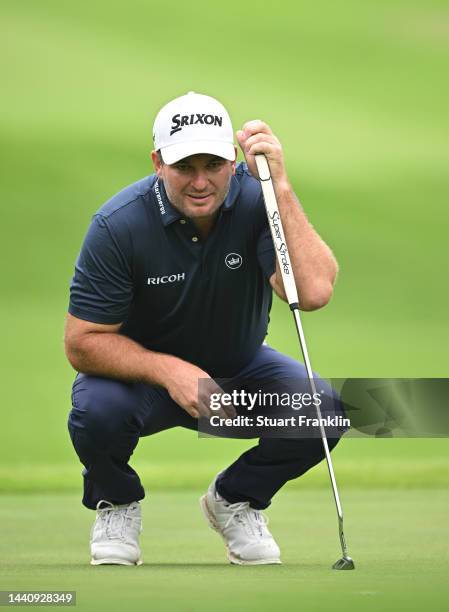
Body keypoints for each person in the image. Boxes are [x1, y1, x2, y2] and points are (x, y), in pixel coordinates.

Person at [65, 91, 343, 567]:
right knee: (95, 409)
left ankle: (234, 499)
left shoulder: (261, 204)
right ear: (158, 162)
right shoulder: (118, 225)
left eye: (213, 164)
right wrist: (170, 371)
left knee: (323, 410)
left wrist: (280, 187)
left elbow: (313, 291)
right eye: (184, 166)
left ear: (233, 161)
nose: (200, 182)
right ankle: (117, 501)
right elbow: (82, 342)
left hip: (234, 380)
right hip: (141, 387)